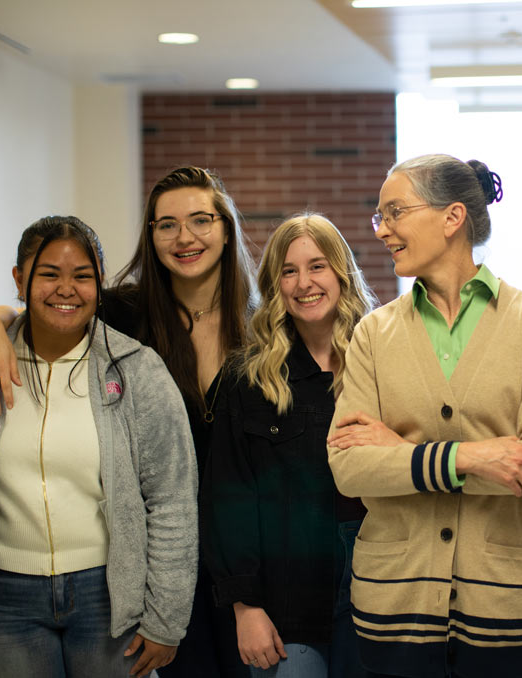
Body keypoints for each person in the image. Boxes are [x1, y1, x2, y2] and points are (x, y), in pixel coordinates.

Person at [0, 166, 257, 678]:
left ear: (226, 226)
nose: (184, 236)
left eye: (200, 220)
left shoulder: (262, 326)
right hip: (135, 560)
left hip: (236, 552)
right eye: (166, 224)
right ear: (150, 235)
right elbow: (49, 308)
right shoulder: (126, 316)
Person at [326, 153, 522, 678]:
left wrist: (402, 455)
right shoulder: (373, 333)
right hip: (393, 605)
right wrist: (473, 456)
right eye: (379, 216)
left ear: (452, 217)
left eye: (394, 212)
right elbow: (349, 468)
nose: (382, 230)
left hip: (504, 605)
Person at [203, 214, 376, 678]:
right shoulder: (246, 379)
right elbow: (227, 499)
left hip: (379, 577)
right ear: (274, 284)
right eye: (288, 271)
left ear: (342, 273)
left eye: (317, 266)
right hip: (285, 595)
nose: (304, 283)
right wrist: (246, 607)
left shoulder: (381, 361)